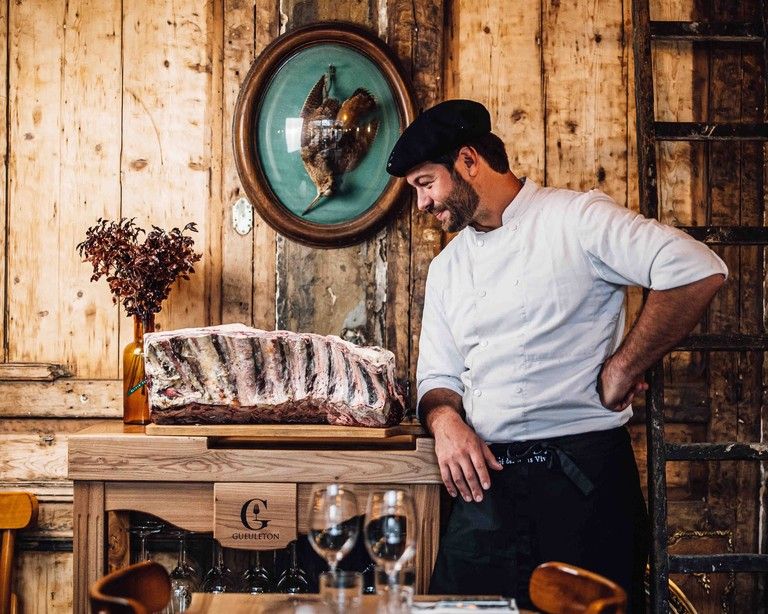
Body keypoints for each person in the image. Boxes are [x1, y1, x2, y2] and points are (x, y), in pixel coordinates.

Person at [386, 99, 727, 611]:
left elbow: (696, 266)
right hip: (487, 487)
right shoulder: (447, 267)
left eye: (425, 183)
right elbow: (437, 374)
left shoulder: (577, 218)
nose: (422, 204)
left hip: (583, 485)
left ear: (469, 161)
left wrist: (624, 366)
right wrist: (444, 422)